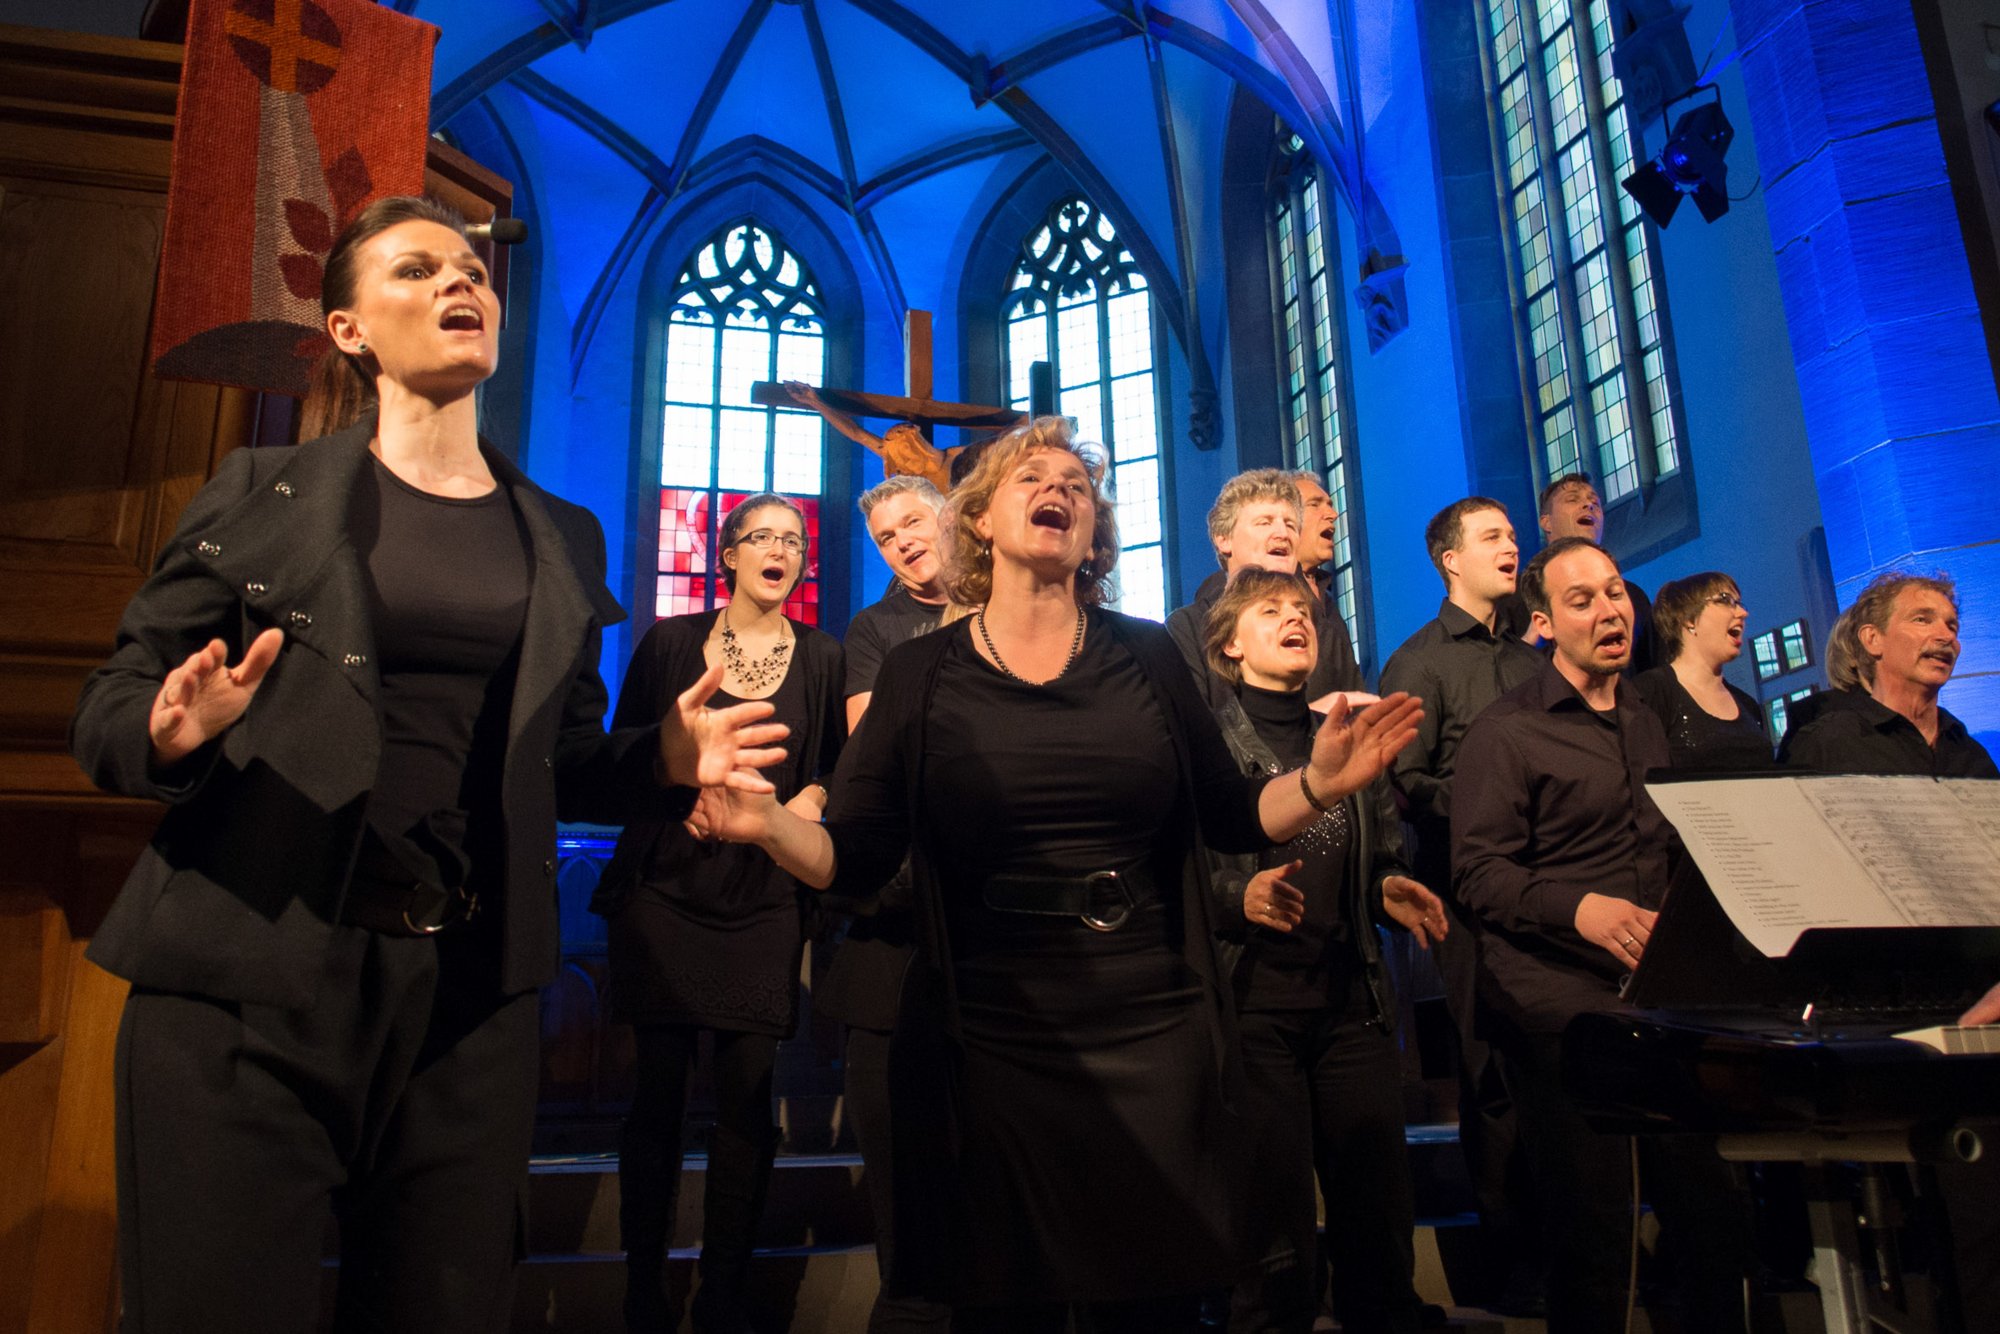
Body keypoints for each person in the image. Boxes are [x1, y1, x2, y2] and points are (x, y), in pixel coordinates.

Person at [67, 196, 789, 1334]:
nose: (463, 284)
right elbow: (111, 703)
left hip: (465, 992)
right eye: (416, 270)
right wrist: (166, 731)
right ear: (349, 327)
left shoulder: (561, 531)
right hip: (253, 965)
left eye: (473, 270)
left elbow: (553, 756)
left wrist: (658, 756)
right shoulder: (262, 490)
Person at [692, 416, 1424, 1332]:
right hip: (992, 1028)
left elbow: (1232, 814)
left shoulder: (1152, 654)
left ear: (1093, 532)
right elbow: (855, 856)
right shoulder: (920, 671)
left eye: (1079, 485)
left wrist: (1318, 782)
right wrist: (763, 823)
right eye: (1033, 476)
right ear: (982, 522)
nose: (1061, 490)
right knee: (1009, 1300)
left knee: (1151, 1298)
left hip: (1150, 1018)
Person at [1452, 537, 1752, 1334]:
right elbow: (1478, 875)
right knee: (1598, 1238)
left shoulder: (1649, 722)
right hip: (1558, 1004)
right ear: (1545, 624)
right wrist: (1577, 907)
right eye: (1582, 600)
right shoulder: (1506, 733)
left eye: (1616, 592)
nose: (1610, 610)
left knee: (1711, 1216)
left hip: (1661, 997)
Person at [592, 494, 844, 1333]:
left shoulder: (824, 657)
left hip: (763, 896)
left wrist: (809, 796)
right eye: (762, 537)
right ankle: (641, 1289)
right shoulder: (669, 643)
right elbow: (621, 759)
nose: (780, 549)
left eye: (793, 540)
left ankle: (725, 1293)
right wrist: (677, 789)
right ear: (727, 554)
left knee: (746, 1098)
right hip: (668, 885)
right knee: (657, 1098)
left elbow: (842, 772)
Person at [1200, 568, 1447, 1334]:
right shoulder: (1205, 741)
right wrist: (1233, 898)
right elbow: (1175, 861)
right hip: (1253, 1007)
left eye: (1302, 610)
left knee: (1376, 1212)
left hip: (1351, 1001)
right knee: (1273, 1233)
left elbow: (1374, 848)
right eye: (1269, 610)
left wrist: (1387, 887)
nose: (1294, 619)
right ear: (1230, 646)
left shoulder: (1344, 734)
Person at [1377, 497, 1544, 1313]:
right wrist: (1504, 805)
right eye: (1492, 537)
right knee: (1494, 1079)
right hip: (1472, 897)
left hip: (1555, 895)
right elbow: (1408, 786)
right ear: (1451, 559)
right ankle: (1511, 1264)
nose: (1512, 547)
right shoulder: (1419, 664)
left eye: (1512, 535)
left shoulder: (1533, 660)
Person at [822, 474, 954, 1332]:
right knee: (901, 1139)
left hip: (999, 908)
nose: (901, 542)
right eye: (885, 538)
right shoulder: (876, 629)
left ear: (952, 519)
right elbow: (874, 744)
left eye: (913, 523)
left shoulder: (1015, 602)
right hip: (900, 899)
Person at [1166, 469, 1367, 711]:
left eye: (1291, 525)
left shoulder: (1321, 630)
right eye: (1265, 522)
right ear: (1224, 540)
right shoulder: (1189, 628)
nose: (1283, 534)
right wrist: (1311, 721)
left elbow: (1359, 719)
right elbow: (1192, 729)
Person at [1780, 573, 1997, 777]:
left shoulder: (1971, 754)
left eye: (1952, 626)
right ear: (1873, 639)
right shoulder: (1829, 742)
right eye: (1922, 620)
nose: (1946, 636)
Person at [1501, 475, 1657, 667]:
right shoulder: (1514, 595)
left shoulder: (1633, 597)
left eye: (1595, 502)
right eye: (1573, 499)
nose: (1588, 505)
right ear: (1546, 523)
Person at [1634, 572, 1772, 770]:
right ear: (1689, 618)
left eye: (1740, 603)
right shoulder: (1653, 691)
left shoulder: (1747, 705)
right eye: (1725, 600)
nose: (1742, 613)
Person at [783, 381, 960, 494]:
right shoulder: (899, 459)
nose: (902, 466)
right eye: (898, 460)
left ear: (917, 444)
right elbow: (856, 433)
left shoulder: (958, 457)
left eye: (905, 453)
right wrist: (815, 401)